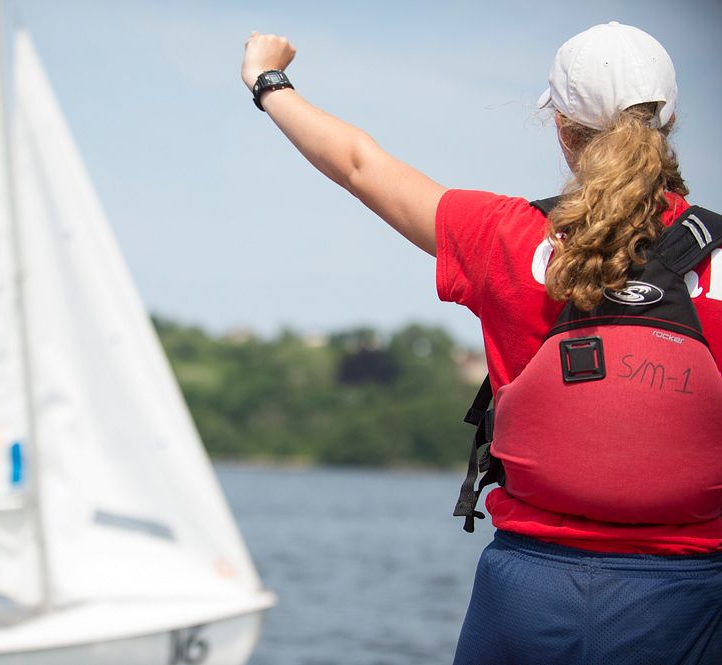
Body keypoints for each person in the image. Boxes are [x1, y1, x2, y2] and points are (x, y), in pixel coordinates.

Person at [242, 21, 721, 665]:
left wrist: (269, 82)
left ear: (561, 127)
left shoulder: (505, 237)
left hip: (527, 595)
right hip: (687, 599)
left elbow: (358, 164)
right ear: (667, 125)